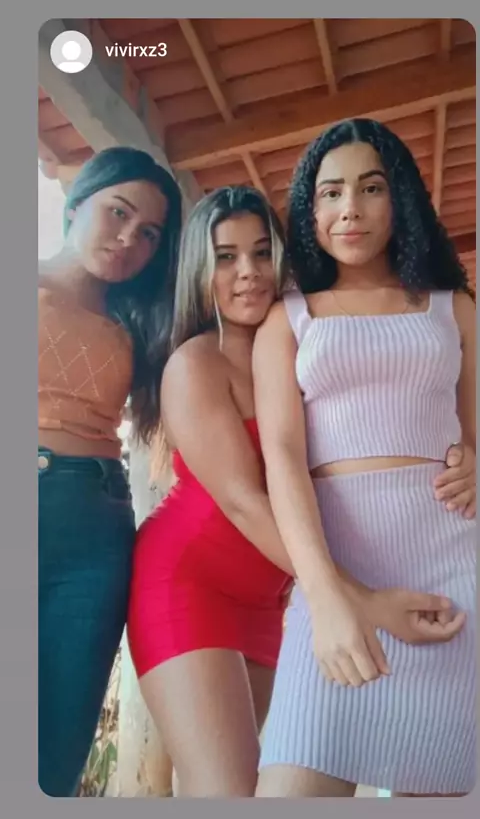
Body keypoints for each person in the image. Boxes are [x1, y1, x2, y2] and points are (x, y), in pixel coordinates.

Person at [127, 185, 474, 798]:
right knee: (226, 791)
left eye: (263, 252)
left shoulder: (305, 343)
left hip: (272, 597)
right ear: (200, 271)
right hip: (190, 584)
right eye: (226, 257)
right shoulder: (195, 363)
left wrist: (465, 450)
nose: (249, 272)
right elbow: (245, 502)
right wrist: (354, 599)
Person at [252, 118, 476, 798]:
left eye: (371, 188)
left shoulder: (454, 308)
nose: (350, 208)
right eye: (331, 193)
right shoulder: (288, 317)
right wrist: (326, 596)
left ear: (399, 199)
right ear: (310, 209)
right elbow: (282, 461)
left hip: (452, 575)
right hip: (337, 576)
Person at [38, 146, 183, 797]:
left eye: (149, 233)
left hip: (97, 526)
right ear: (76, 204)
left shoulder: (141, 324)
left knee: (58, 740)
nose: (129, 239)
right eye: (118, 213)